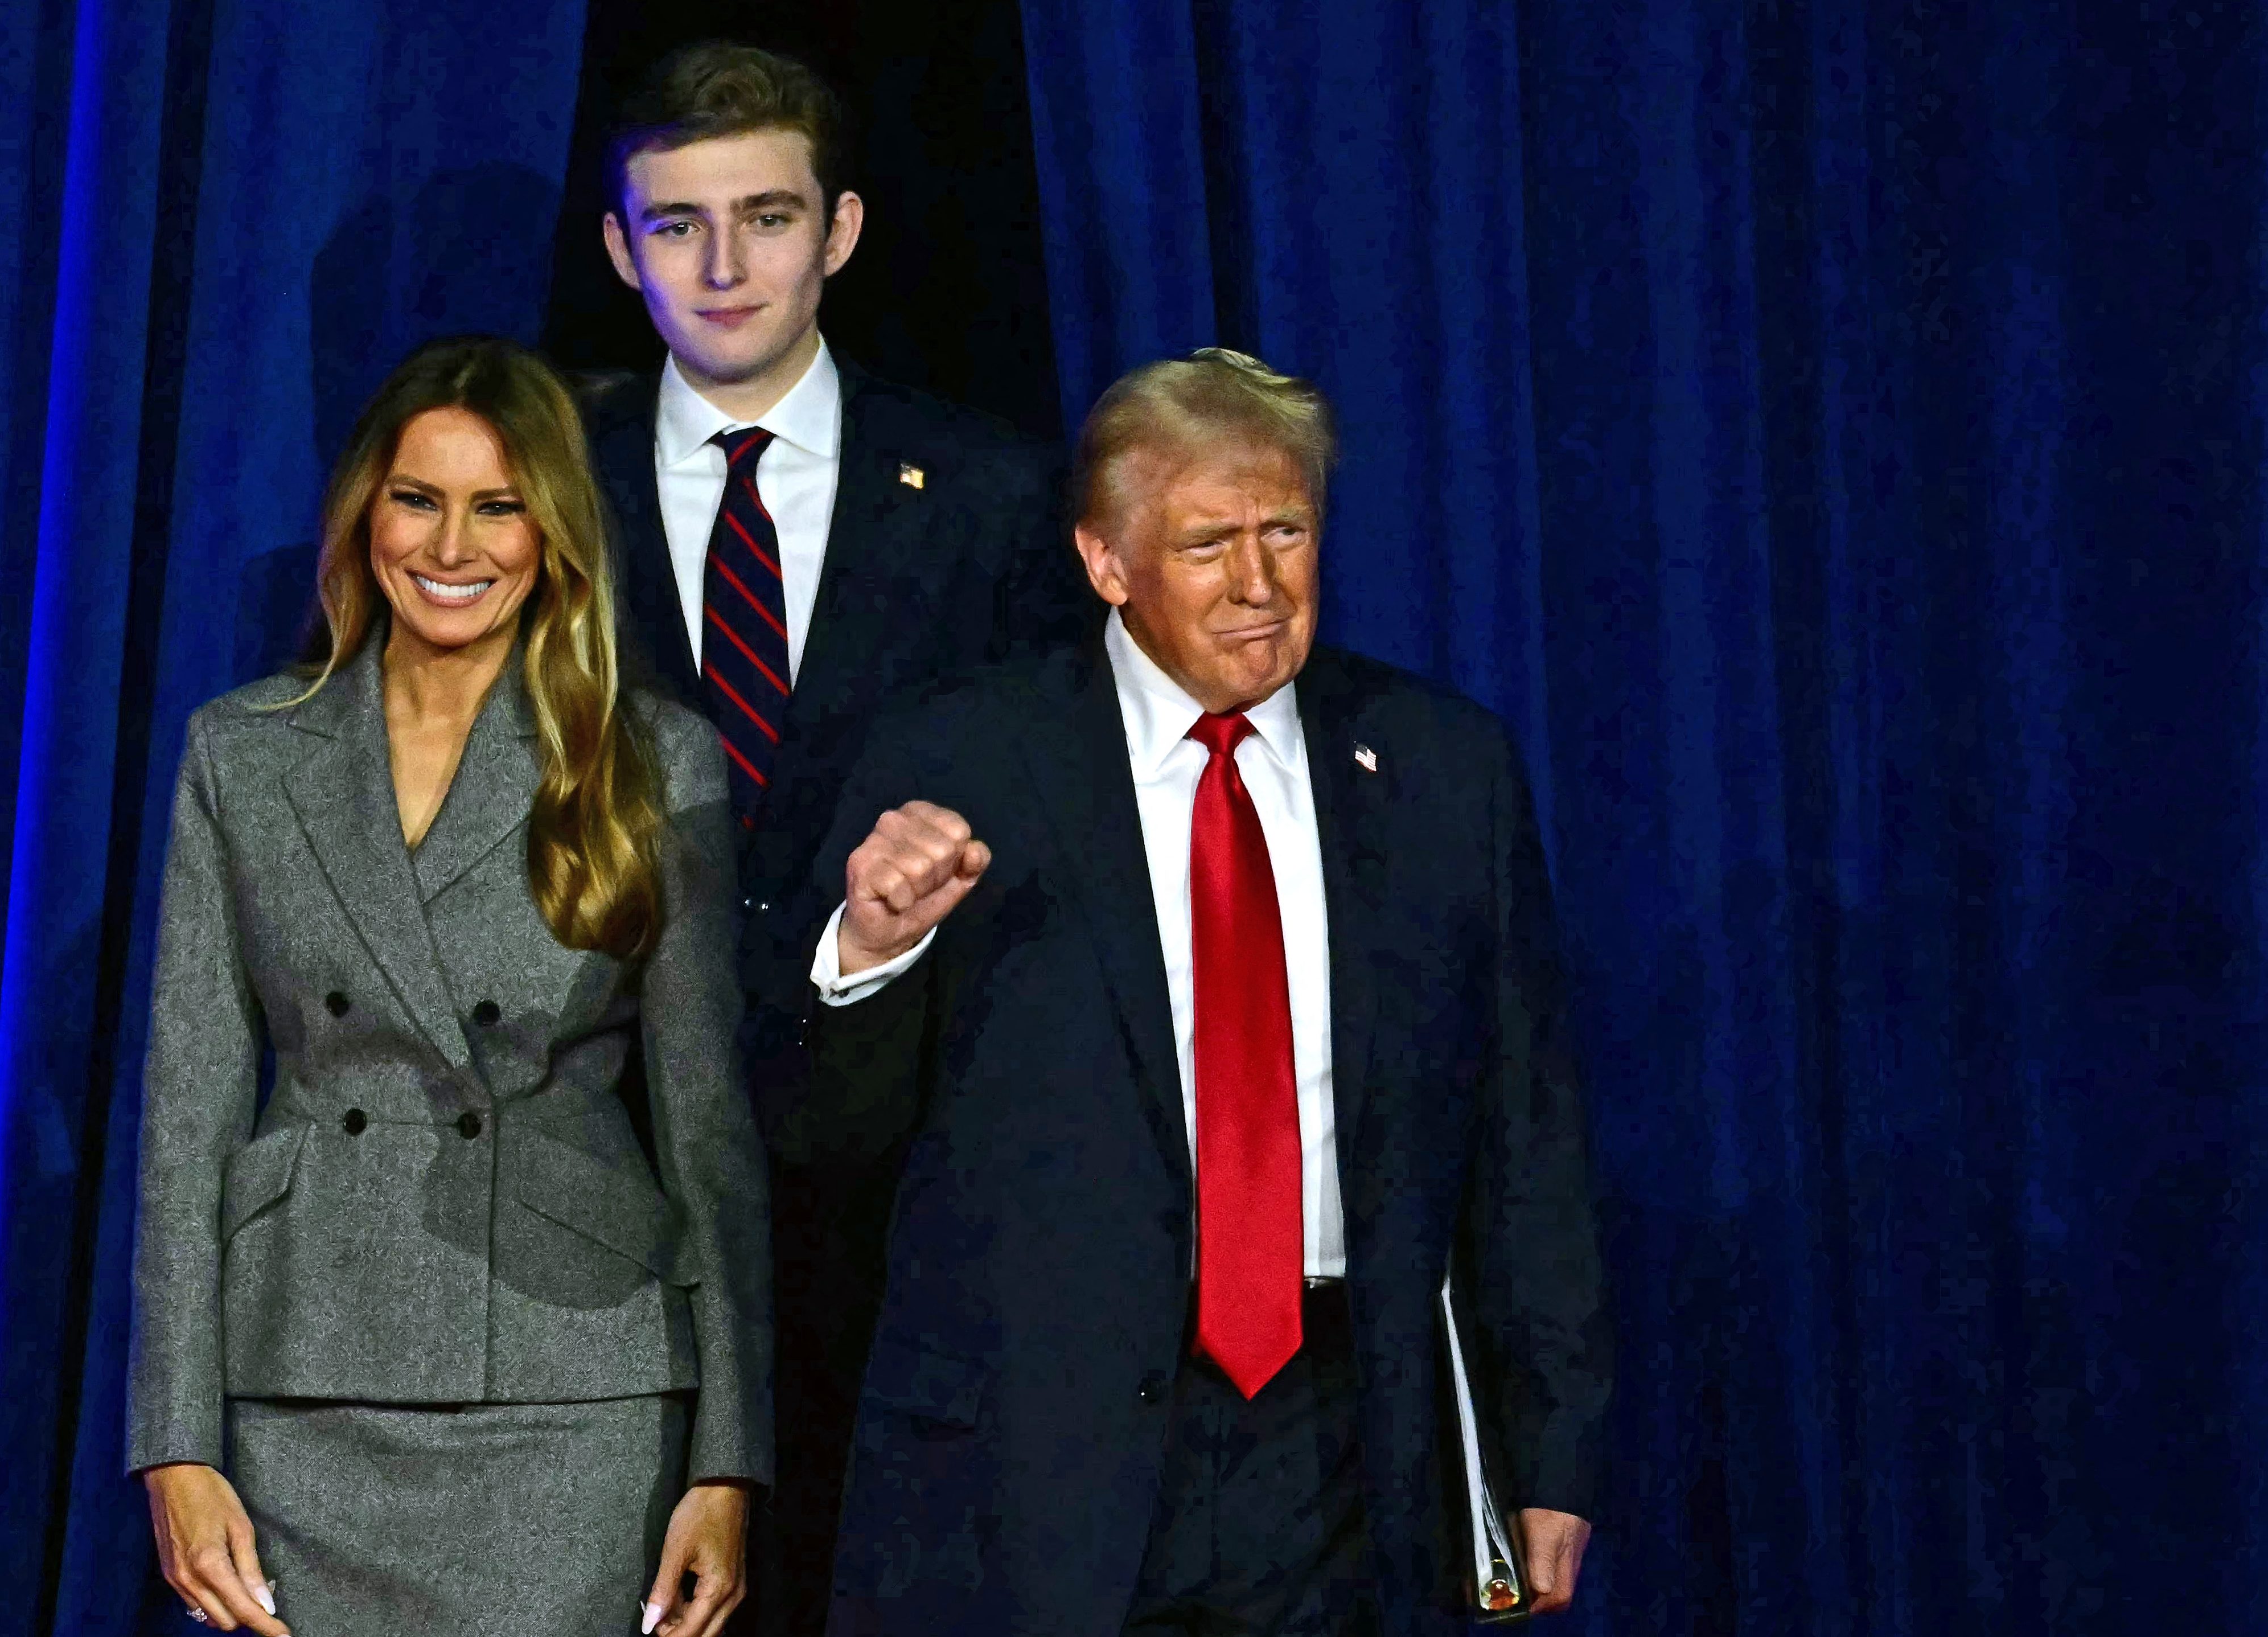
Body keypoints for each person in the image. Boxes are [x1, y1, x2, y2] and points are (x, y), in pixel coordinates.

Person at [779, 350, 1613, 1635]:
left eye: (1285, 529)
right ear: (1106, 565)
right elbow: (821, 1139)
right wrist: (870, 951)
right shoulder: (964, 757)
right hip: (1035, 1454)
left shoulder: (1444, 770)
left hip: (1342, 1446)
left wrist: (1547, 1446)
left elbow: (1526, 1141)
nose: (1258, 583)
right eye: (1206, 542)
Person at [126, 337, 774, 1637]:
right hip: (305, 1373)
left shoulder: (652, 759)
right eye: (418, 498)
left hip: (575, 1388)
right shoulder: (242, 753)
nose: (452, 544)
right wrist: (174, 1440)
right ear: (366, 509)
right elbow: (185, 1117)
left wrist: (726, 1457)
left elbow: (709, 1129)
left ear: (553, 531)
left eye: (498, 505)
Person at [585, 43, 1090, 1628]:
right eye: (677, 225)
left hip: (895, 1203)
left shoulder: (994, 496)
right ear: (620, 247)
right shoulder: (533, 484)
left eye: (768, 216)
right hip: (596, 1190)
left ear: (843, 230)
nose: (724, 265)